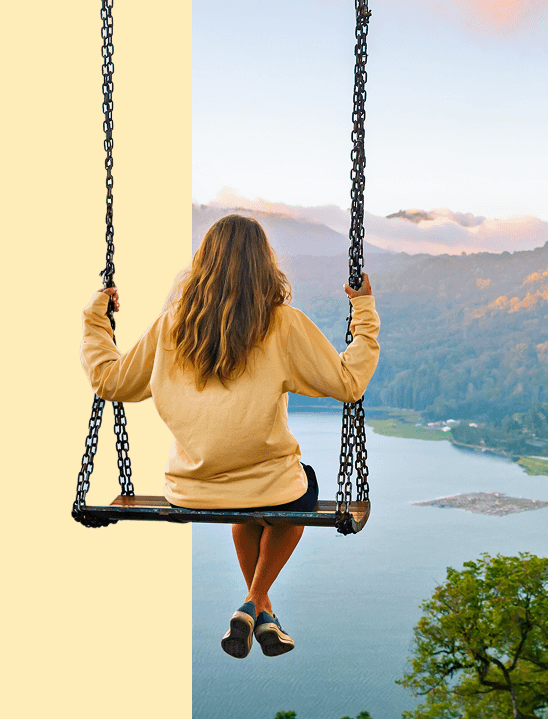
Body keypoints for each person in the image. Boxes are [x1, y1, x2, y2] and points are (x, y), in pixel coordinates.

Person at [81, 214, 379, 659]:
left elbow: (110, 381)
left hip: (191, 491)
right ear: (265, 265)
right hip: (267, 486)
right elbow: (349, 382)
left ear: (203, 264)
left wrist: (96, 320)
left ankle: (259, 610)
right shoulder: (281, 323)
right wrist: (364, 311)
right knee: (294, 491)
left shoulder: (172, 326)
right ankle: (256, 604)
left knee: (249, 500)